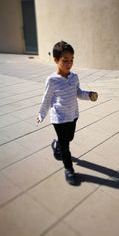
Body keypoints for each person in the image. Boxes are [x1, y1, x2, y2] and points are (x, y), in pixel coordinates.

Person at [37, 41, 98, 185]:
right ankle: (69, 169)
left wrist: (88, 95)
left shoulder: (74, 77)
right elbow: (46, 99)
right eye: (65, 61)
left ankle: (57, 144)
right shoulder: (52, 80)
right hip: (59, 118)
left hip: (73, 115)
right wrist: (41, 114)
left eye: (71, 60)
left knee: (69, 137)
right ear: (56, 60)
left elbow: (78, 93)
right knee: (66, 146)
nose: (69, 64)